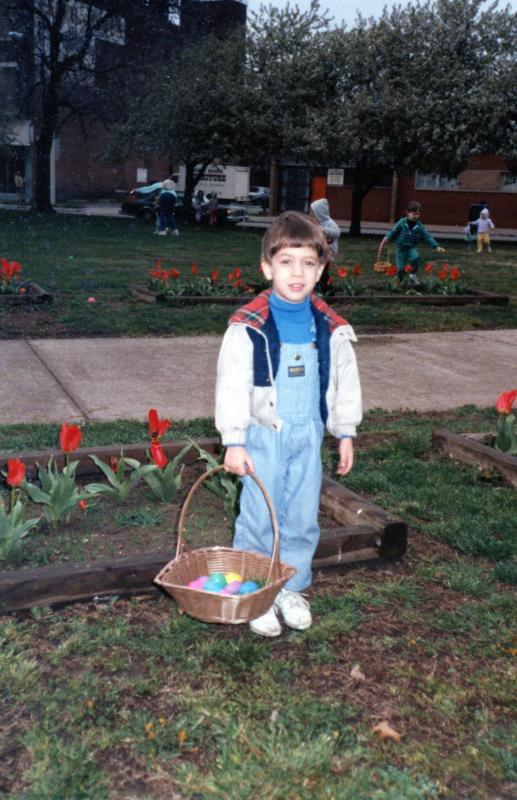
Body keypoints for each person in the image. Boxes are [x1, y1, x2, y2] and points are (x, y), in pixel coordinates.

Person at [215, 211, 363, 637]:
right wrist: (234, 440)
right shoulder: (249, 326)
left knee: (300, 514)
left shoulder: (330, 327)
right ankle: (256, 591)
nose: (297, 273)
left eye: (308, 263)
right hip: (263, 434)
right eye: (286, 262)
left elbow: (345, 382)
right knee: (260, 514)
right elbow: (232, 386)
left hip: (308, 434)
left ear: (321, 269)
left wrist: (345, 431)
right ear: (267, 268)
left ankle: (291, 587)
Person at [378, 201, 445, 284]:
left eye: (418, 214)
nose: (416, 216)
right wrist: (387, 237)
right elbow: (393, 231)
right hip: (401, 248)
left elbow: (427, 237)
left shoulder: (420, 226)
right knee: (401, 268)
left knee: (416, 258)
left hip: (411, 247)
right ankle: (399, 280)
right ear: (408, 213)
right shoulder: (402, 222)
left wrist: (436, 246)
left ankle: (413, 275)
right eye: (414, 214)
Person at [310, 198, 341, 294]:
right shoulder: (316, 224)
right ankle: (327, 287)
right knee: (321, 270)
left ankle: (324, 289)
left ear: (320, 213)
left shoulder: (329, 223)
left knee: (322, 270)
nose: (311, 215)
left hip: (329, 251)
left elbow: (337, 233)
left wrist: (324, 230)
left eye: (313, 213)